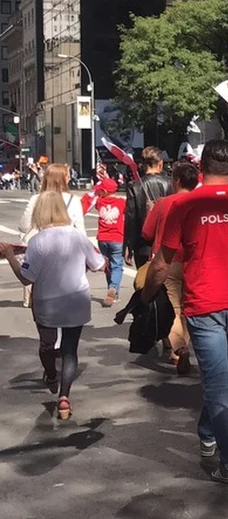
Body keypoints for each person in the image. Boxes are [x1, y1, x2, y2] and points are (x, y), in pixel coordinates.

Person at [140, 140, 228, 484]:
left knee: (217, 387)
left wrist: (146, 297)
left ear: (201, 167)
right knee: (221, 378)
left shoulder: (185, 205)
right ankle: (207, 433)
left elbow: (161, 263)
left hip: (205, 307)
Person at [1, 192, 105, 420]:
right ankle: (64, 397)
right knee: (70, 350)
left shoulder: (38, 241)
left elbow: (27, 277)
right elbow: (98, 264)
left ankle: (50, 375)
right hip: (76, 299)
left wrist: (10, 256)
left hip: (47, 301)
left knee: (46, 344)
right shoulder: (78, 237)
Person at [142, 161, 201, 375]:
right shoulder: (202, 203)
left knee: (174, 309)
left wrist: (151, 212)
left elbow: (147, 234)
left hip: (169, 259)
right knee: (188, 309)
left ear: (176, 181)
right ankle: (184, 344)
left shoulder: (164, 203)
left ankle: (179, 349)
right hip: (195, 260)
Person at [19, 163, 86, 309]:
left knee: (40, 284)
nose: (69, 178)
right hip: (66, 251)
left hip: (39, 249)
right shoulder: (73, 200)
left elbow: (23, 226)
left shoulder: (36, 199)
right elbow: (81, 231)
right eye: (67, 176)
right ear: (61, 179)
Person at [123, 146, 173, 269]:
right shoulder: (171, 183)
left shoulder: (135, 186)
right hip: (166, 241)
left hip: (142, 243)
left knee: (143, 281)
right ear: (160, 163)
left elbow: (131, 218)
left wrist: (128, 244)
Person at [94, 179, 127, 307]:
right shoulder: (121, 202)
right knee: (117, 265)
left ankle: (111, 288)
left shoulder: (100, 202)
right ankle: (114, 288)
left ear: (104, 191)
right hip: (117, 237)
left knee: (107, 265)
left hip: (103, 238)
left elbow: (96, 197)